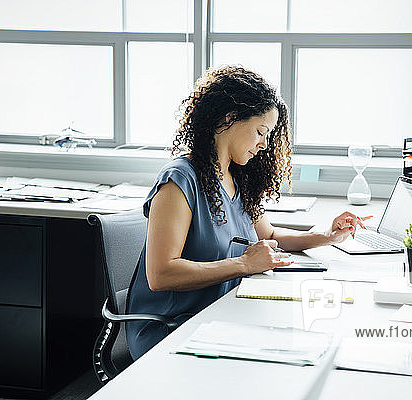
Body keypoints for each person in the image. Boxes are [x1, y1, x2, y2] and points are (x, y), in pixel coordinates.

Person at [126, 65, 365, 360]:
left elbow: (271, 236)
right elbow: (161, 275)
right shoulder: (180, 180)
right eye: (260, 132)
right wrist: (243, 264)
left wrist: (326, 235)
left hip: (219, 314)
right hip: (170, 328)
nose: (264, 145)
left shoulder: (236, 177)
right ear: (229, 119)